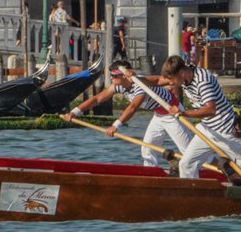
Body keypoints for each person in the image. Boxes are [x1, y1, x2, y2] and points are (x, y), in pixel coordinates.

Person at [151, 55, 241, 181]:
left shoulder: (203, 80)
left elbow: (210, 109)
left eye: (172, 80)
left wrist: (183, 113)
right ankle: (193, 196)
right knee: (186, 164)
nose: (171, 84)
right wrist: (133, 78)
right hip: (207, 129)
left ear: (181, 73)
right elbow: (157, 81)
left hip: (226, 130)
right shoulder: (184, 78)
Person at [62, 60, 191, 170]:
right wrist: (75, 112)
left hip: (173, 114)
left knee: (188, 151)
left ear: (124, 76)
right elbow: (97, 99)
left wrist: (115, 125)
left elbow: (133, 107)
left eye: (114, 76)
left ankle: (201, 173)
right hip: (159, 115)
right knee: (147, 149)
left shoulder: (139, 85)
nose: (111, 79)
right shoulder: (118, 86)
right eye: (110, 75)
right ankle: (151, 175)